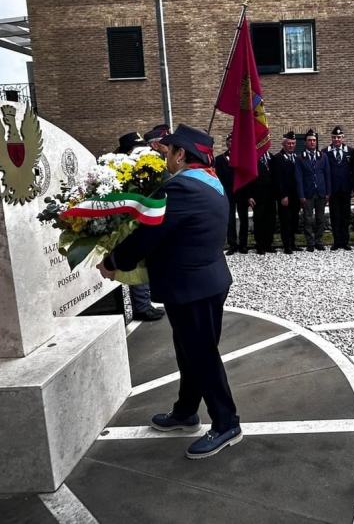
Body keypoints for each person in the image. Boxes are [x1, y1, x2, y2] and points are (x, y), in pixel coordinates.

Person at [98, 124, 241, 459]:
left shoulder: (182, 189)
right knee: (190, 351)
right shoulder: (211, 181)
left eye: (168, 152)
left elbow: (149, 234)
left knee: (201, 354)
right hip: (203, 283)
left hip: (192, 287)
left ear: (181, 155)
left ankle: (227, 423)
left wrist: (114, 260)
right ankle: (186, 411)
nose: (164, 158)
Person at [113, 131, 164, 322]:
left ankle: (143, 304)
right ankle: (142, 307)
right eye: (137, 147)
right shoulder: (121, 170)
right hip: (129, 224)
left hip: (141, 219)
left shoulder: (141, 167)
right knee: (136, 265)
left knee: (141, 265)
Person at [296, 129, 331, 252]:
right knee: (308, 219)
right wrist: (301, 195)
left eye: (314, 140)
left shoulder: (323, 156)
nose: (312, 142)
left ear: (316, 142)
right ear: (305, 142)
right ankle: (310, 242)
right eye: (309, 140)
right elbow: (299, 178)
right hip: (307, 194)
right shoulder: (300, 158)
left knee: (321, 219)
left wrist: (328, 192)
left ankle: (319, 241)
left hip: (321, 193)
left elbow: (327, 175)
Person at [325, 126, 354, 250]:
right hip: (333, 190)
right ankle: (336, 242)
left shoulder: (350, 151)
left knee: (345, 216)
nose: (336, 139)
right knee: (335, 216)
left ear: (343, 138)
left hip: (346, 189)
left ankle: (345, 241)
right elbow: (325, 173)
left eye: (339, 137)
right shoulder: (325, 152)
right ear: (331, 138)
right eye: (334, 137)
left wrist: (353, 187)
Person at [273, 131, 301, 255]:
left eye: (293, 143)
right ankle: (287, 245)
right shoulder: (278, 158)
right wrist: (283, 195)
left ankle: (293, 243)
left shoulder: (297, 157)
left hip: (295, 196)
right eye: (289, 143)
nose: (291, 145)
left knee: (294, 220)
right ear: (284, 144)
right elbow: (278, 179)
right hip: (285, 196)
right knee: (286, 221)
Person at [214, 134, 242, 255]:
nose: (231, 143)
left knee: (243, 218)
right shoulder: (219, 159)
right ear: (226, 143)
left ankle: (243, 244)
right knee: (230, 219)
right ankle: (232, 244)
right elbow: (218, 177)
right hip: (227, 193)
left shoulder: (242, 157)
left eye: (234, 141)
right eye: (229, 141)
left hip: (240, 192)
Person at [252, 150, 277, 255]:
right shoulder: (253, 157)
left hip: (271, 195)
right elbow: (248, 178)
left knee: (270, 220)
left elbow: (276, 176)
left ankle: (268, 243)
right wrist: (250, 195)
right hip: (258, 195)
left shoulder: (272, 157)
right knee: (259, 220)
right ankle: (260, 245)